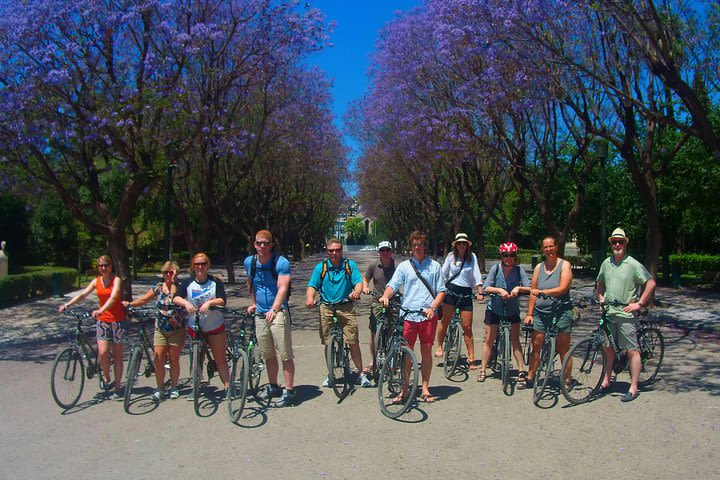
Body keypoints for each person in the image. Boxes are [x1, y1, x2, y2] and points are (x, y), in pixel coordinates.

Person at [380, 231, 446, 403]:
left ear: (425, 247)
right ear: (411, 247)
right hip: (408, 316)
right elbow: (393, 285)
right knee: (406, 354)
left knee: (426, 353)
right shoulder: (404, 266)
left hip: (427, 315)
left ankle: (425, 388)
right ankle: (404, 391)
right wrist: (386, 295)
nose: (417, 247)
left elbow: (441, 291)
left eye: (420, 244)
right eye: (414, 244)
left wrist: (433, 307)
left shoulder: (434, 266)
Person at [595, 227, 656, 402]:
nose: (617, 244)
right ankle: (606, 380)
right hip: (609, 313)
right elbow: (599, 284)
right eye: (614, 242)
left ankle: (633, 387)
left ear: (625, 243)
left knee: (631, 350)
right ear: (611, 244)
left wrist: (639, 303)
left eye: (620, 241)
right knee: (608, 348)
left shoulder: (633, 264)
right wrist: (601, 299)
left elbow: (650, 283)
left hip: (626, 313)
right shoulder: (606, 263)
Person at [58, 255, 126, 400]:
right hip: (102, 321)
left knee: (118, 356)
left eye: (106, 265)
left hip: (117, 321)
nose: (103, 268)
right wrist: (67, 305)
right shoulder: (96, 281)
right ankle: (107, 377)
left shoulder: (116, 280)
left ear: (111, 266)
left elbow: (114, 298)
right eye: (101, 266)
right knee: (103, 352)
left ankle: (118, 386)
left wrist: (101, 310)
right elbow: (83, 294)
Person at [306, 238, 371, 387]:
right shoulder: (321, 267)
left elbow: (358, 282)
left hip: (345, 307)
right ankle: (331, 374)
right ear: (327, 251)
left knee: (353, 341)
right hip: (326, 307)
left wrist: (356, 291)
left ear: (341, 251)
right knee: (328, 343)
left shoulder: (349, 265)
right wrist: (310, 298)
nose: (334, 253)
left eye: (337, 250)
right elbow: (312, 285)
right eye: (331, 250)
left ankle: (361, 373)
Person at [245, 230, 296, 407]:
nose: (262, 246)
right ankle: (274, 386)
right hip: (260, 313)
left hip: (278, 312)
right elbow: (251, 283)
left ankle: (289, 391)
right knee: (267, 353)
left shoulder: (281, 262)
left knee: (285, 354)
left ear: (271, 245)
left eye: (266, 243)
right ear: (254, 244)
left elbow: (283, 287)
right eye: (259, 243)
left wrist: (274, 309)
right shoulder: (249, 262)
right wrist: (253, 303)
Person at [121, 261, 185, 401]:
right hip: (160, 329)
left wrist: (173, 282)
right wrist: (130, 304)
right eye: (166, 272)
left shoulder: (180, 287)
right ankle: (160, 388)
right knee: (159, 359)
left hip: (176, 330)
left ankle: (174, 387)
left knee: (174, 359)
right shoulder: (157, 288)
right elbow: (144, 299)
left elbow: (173, 298)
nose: (168, 275)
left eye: (171, 272)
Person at [173, 252, 229, 394]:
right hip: (195, 326)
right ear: (193, 266)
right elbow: (176, 298)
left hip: (214, 325)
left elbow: (222, 300)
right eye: (197, 264)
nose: (200, 267)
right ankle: (196, 386)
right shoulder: (188, 283)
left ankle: (228, 387)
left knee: (220, 358)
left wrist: (210, 303)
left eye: (203, 264)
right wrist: (185, 303)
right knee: (197, 358)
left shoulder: (215, 282)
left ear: (208, 265)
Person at [478, 242, 531, 385]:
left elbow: (529, 288)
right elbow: (486, 287)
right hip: (495, 308)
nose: (509, 258)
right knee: (490, 339)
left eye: (512, 255)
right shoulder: (495, 268)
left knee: (515, 340)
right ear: (501, 256)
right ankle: (483, 369)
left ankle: (520, 370)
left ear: (515, 256)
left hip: (512, 309)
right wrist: (500, 291)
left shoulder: (519, 270)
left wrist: (518, 288)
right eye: (505, 255)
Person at [524, 236, 573, 389]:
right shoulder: (539, 267)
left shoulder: (565, 265)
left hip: (561, 311)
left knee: (563, 347)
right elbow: (533, 291)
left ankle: (567, 379)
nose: (548, 250)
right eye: (545, 247)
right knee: (536, 344)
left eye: (551, 246)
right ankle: (531, 376)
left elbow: (563, 288)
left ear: (556, 247)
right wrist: (530, 314)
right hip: (541, 311)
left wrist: (543, 292)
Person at [435, 233, 483, 369]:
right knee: (445, 320)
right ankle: (439, 346)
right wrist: (439, 289)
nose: (461, 245)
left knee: (467, 326)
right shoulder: (451, 257)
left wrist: (480, 291)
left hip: (466, 291)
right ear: (456, 245)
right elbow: (443, 274)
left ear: (467, 245)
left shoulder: (472, 257)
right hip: (451, 290)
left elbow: (477, 274)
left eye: (464, 243)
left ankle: (471, 358)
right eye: (459, 243)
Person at [362, 240, 396, 371]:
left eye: (387, 250)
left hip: (393, 301)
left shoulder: (397, 265)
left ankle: (393, 359)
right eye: (382, 250)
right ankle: (373, 360)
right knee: (374, 331)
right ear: (379, 252)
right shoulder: (374, 265)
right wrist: (365, 287)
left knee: (393, 331)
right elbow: (366, 279)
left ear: (391, 252)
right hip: (377, 301)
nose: (385, 252)